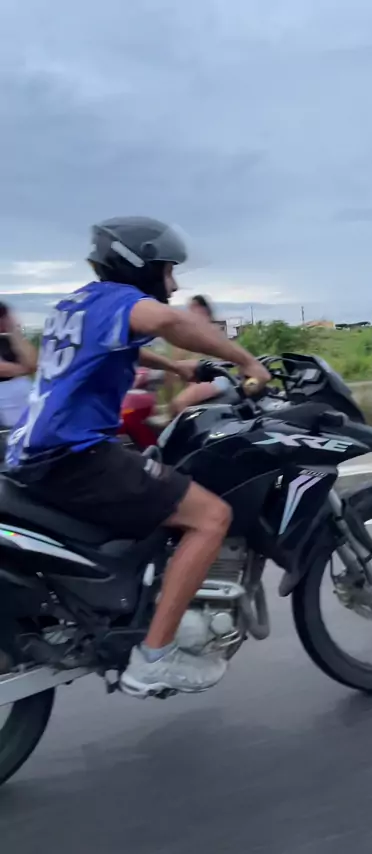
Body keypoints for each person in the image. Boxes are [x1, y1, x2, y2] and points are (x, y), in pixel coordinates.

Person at [5, 216, 270, 697]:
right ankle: (154, 657)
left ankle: (138, 603)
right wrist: (246, 361)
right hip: (74, 456)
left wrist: (174, 365)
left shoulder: (77, 304)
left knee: (157, 473)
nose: (173, 284)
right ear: (139, 265)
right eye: (167, 270)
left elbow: (118, 346)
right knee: (211, 517)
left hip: (34, 452)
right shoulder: (122, 301)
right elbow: (169, 321)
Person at [169, 294, 234, 415]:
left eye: (195, 307)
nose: (191, 312)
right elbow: (177, 359)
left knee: (179, 403)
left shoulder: (212, 330)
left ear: (204, 310)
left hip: (215, 379)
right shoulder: (188, 333)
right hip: (198, 380)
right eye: (190, 308)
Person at [0, 303, 37, 428]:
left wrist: (15, 332)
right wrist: (26, 368)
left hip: (23, 406)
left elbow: (32, 362)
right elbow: (3, 369)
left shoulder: (9, 339)